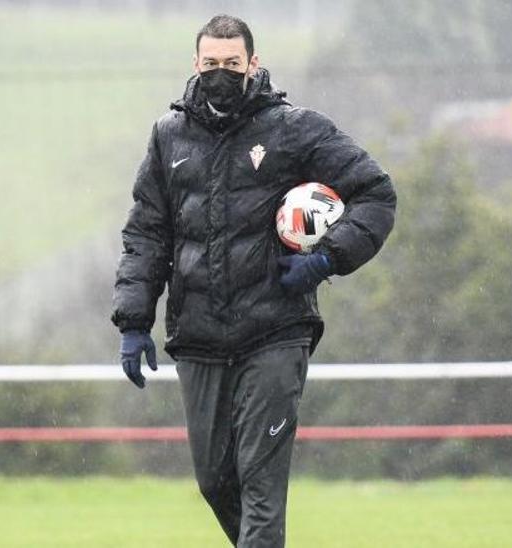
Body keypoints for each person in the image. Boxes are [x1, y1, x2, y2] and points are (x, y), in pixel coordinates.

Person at [111, 14, 396, 548]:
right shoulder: (166, 137)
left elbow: (376, 194)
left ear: (253, 64)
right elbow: (146, 235)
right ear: (195, 65)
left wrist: (325, 259)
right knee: (215, 481)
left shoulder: (294, 129)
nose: (222, 73)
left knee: (262, 489)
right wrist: (133, 320)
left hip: (275, 333)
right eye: (212, 64)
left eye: (232, 64)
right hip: (197, 340)